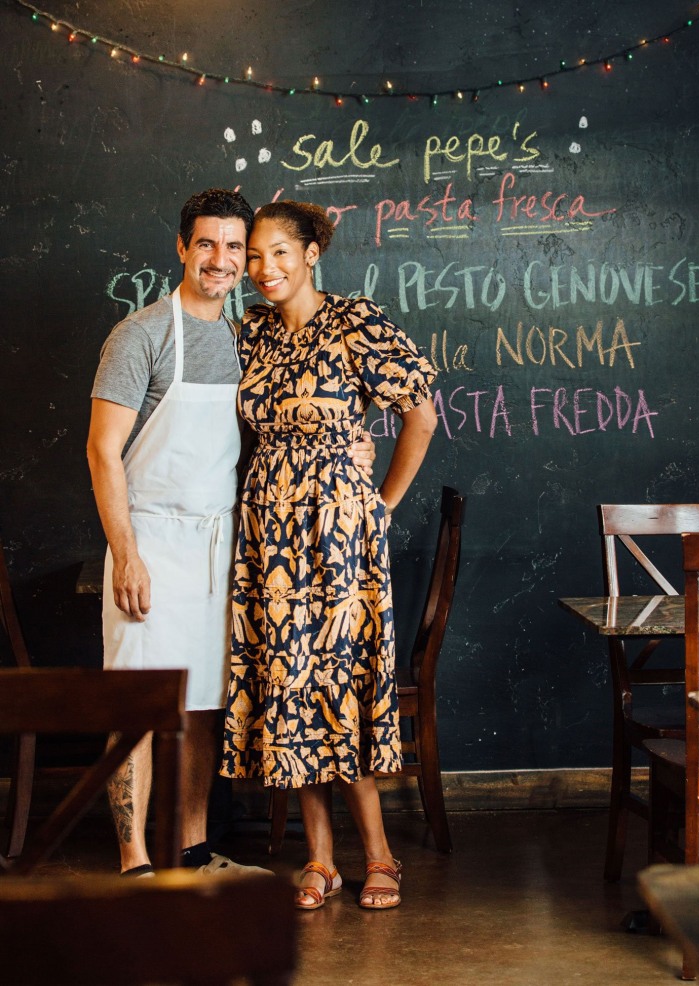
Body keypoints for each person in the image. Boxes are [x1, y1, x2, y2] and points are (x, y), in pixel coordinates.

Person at [86, 188, 376, 877]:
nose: (221, 259)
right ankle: (134, 862)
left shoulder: (251, 336)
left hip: (226, 544)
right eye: (206, 244)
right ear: (182, 249)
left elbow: (297, 411)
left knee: (204, 705)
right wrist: (127, 554)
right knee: (137, 706)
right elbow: (103, 452)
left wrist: (352, 441)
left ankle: (189, 850)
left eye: (234, 247)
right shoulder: (140, 336)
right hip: (150, 539)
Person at [220, 200, 438, 910]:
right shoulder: (249, 330)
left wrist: (383, 501)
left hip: (338, 529)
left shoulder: (356, 321)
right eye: (253, 256)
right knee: (288, 686)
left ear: (312, 253)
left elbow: (421, 413)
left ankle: (378, 852)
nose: (262, 269)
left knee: (335, 683)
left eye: (278, 252)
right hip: (266, 531)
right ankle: (320, 858)